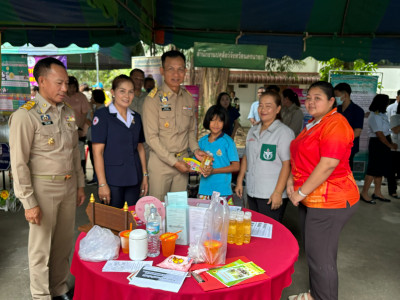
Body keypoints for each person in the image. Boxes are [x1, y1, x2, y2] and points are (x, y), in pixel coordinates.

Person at [9, 57, 85, 300]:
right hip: (43, 187)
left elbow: (74, 152)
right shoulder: (25, 116)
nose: (65, 88)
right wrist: (28, 201)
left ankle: (59, 288)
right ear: (41, 81)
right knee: (41, 248)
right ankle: (41, 295)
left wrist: (80, 184)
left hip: (68, 185)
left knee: (63, 243)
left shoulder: (68, 113)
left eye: (66, 83)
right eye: (59, 83)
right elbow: (18, 163)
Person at [287, 81, 359, 300]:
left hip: (331, 200)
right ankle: (314, 294)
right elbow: (301, 158)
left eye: (317, 98)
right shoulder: (315, 122)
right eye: (308, 98)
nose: (310, 102)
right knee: (317, 254)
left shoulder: (336, 124)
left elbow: (327, 164)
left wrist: (299, 193)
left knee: (322, 259)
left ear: (331, 101)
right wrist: (292, 182)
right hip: (312, 198)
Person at [143, 50, 207, 202]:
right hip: (160, 164)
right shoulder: (153, 100)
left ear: (185, 71)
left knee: (177, 210)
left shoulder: (188, 98)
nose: (176, 74)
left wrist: (196, 150)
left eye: (180, 69)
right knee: (156, 210)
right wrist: (174, 162)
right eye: (171, 69)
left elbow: (191, 132)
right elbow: (151, 138)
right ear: (162, 71)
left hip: (183, 162)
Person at [235, 91, 294, 222]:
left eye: (268, 106)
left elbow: (287, 164)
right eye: (261, 105)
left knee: (270, 231)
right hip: (252, 190)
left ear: (278, 109)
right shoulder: (252, 130)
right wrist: (240, 181)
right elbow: (246, 156)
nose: (263, 109)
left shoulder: (284, 133)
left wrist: (278, 193)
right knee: (255, 229)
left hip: (271, 193)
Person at [92, 75, 148, 208]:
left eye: (130, 91)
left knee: (132, 218)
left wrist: (145, 175)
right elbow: (97, 152)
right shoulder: (102, 116)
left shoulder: (136, 117)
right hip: (112, 180)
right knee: (112, 221)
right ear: (113, 92)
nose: (126, 95)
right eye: (122, 91)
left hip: (134, 177)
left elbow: (140, 147)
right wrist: (102, 184)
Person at [360, 94, 397, 204]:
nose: (388, 104)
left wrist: (390, 142)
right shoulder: (374, 116)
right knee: (373, 169)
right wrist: (389, 145)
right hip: (378, 143)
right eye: (386, 102)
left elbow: (385, 132)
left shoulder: (382, 114)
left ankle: (377, 192)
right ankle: (364, 193)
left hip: (383, 142)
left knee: (379, 169)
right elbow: (379, 133)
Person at [198, 105, 240, 202]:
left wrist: (213, 171)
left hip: (223, 191)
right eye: (213, 120)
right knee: (205, 217)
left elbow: (236, 166)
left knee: (223, 217)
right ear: (208, 121)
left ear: (224, 122)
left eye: (220, 121)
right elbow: (196, 164)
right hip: (204, 190)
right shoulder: (202, 141)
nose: (216, 124)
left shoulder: (228, 141)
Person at [333, 83, 365, 170]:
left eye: (337, 95)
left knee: (345, 171)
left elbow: (357, 132)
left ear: (345, 95)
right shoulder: (335, 109)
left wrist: (342, 141)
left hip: (348, 147)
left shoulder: (357, 111)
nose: (336, 98)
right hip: (333, 146)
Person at [65, 76, 91, 175]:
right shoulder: (62, 96)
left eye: (74, 87)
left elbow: (85, 113)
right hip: (65, 130)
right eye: (70, 86)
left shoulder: (81, 97)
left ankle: (81, 174)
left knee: (79, 153)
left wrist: (80, 128)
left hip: (79, 129)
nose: (72, 89)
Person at [86, 90, 106, 185]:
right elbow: (88, 120)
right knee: (93, 158)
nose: (90, 99)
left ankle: (100, 179)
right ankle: (95, 177)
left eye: (92, 97)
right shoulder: (92, 109)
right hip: (91, 137)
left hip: (100, 139)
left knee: (100, 158)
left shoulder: (104, 110)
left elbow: (96, 123)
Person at [389, 104, 400, 198]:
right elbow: (395, 130)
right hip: (395, 148)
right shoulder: (395, 117)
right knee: (392, 171)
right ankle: (392, 190)